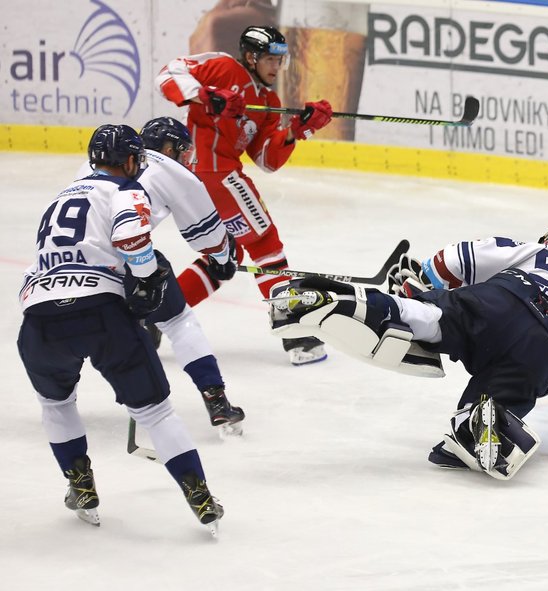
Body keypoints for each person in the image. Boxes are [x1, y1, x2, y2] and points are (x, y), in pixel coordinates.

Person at [267, 228, 548, 480]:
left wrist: (423, 281)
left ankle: (336, 301)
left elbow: (458, 258)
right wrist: (541, 377)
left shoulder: (531, 250)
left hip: (503, 304)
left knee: (428, 319)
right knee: (497, 401)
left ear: (546, 240)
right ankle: (484, 425)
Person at [17, 124, 223, 532]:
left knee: (56, 404)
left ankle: (83, 487)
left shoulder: (61, 194)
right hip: (100, 312)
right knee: (157, 412)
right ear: (130, 160)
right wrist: (146, 278)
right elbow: (131, 240)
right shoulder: (126, 190)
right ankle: (198, 494)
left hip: (38, 317)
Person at [156, 24, 334, 365]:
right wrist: (205, 95)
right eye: (269, 59)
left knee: (225, 257)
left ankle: (156, 316)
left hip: (207, 177)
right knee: (265, 244)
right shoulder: (224, 68)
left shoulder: (268, 100)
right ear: (251, 57)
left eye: (280, 61)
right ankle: (292, 328)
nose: (276, 67)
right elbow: (168, 74)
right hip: (210, 171)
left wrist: (300, 129)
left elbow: (267, 160)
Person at [75, 117, 245, 434]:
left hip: (68, 267)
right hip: (123, 260)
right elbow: (206, 236)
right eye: (182, 150)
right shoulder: (174, 172)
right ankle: (216, 399)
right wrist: (223, 257)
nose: (186, 158)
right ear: (169, 148)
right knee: (178, 321)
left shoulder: (90, 167)